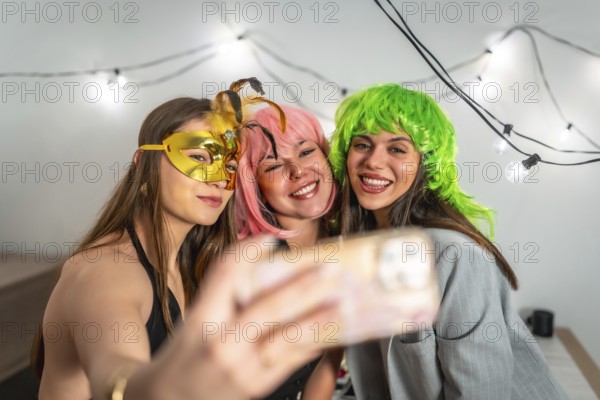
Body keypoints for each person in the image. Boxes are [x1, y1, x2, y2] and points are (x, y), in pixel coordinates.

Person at [34, 78, 348, 400]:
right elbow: (114, 370)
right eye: (199, 158)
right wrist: (152, 387)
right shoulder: (105, 269)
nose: (217, 180)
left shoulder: (189, 265)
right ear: (144, 163)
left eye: (228, 165)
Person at [328, 83, 568, 399]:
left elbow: (479, 393)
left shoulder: (454, 254)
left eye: (397, 149)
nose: (373, 161)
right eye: (362, 144)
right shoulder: (356, 249)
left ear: (425, 164)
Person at [236, 104, 344, 400]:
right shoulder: (245, 265)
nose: (297, 171)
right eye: (272, 166)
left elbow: (329, 359)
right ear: (255, 187)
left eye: (306, 151)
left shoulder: (347, 248)